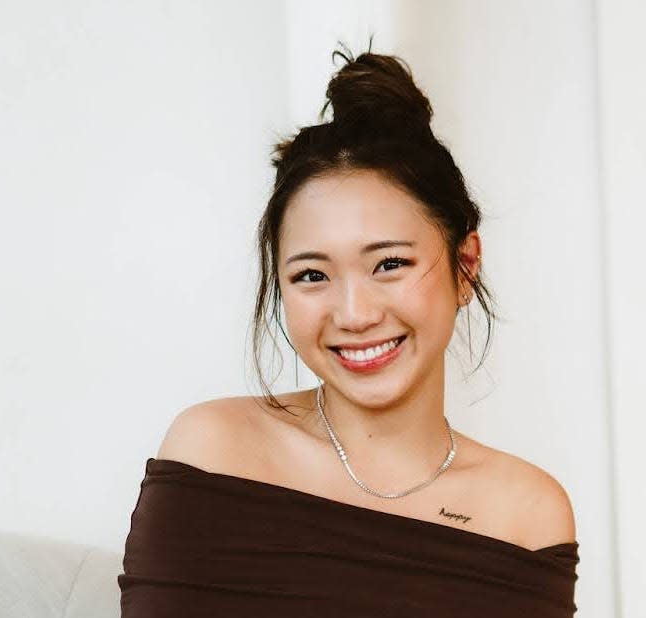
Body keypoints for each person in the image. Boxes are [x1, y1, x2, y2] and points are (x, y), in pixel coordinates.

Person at [118, 41, 579, 616]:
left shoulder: (527, 514)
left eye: (389, 264)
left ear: (465, 266)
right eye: (313, 274)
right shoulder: (214, 451)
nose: (355, 314)